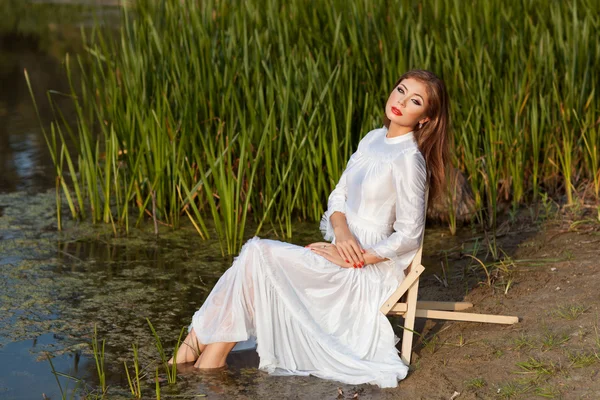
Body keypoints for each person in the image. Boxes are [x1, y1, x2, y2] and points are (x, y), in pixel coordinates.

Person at [168, 69, 450, 388]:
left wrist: (354, 258)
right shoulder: (373, 138)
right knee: (251, 260)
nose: (400, 101)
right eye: (400, 89)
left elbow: (409, 235)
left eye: (414, 100)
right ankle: (192, 359)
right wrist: (341, 235)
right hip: (341, 249)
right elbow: (338, 195)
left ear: (425, 118)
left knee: (256, 254)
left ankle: (197, 362)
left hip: (365, 270)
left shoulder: (409, 160)